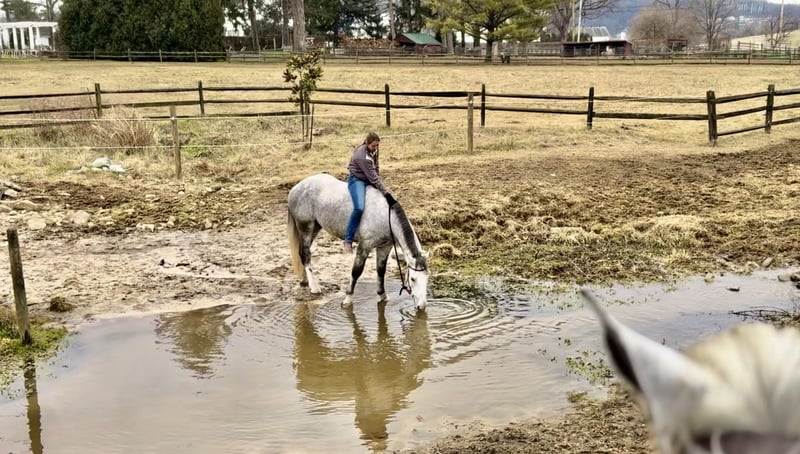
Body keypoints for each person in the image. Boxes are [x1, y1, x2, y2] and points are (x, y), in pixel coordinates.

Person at [343, 132, 397, 254]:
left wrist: (381, 186)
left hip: (369, 177)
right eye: (374, 146)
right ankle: (348, 240)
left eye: (377, 145)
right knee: (359, 208)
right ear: (367, 143)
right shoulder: (362, 156)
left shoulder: (374, 150)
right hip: (357, 180)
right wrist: (386, 193)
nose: (376, 148)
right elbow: (373, 178)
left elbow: (376, 168)